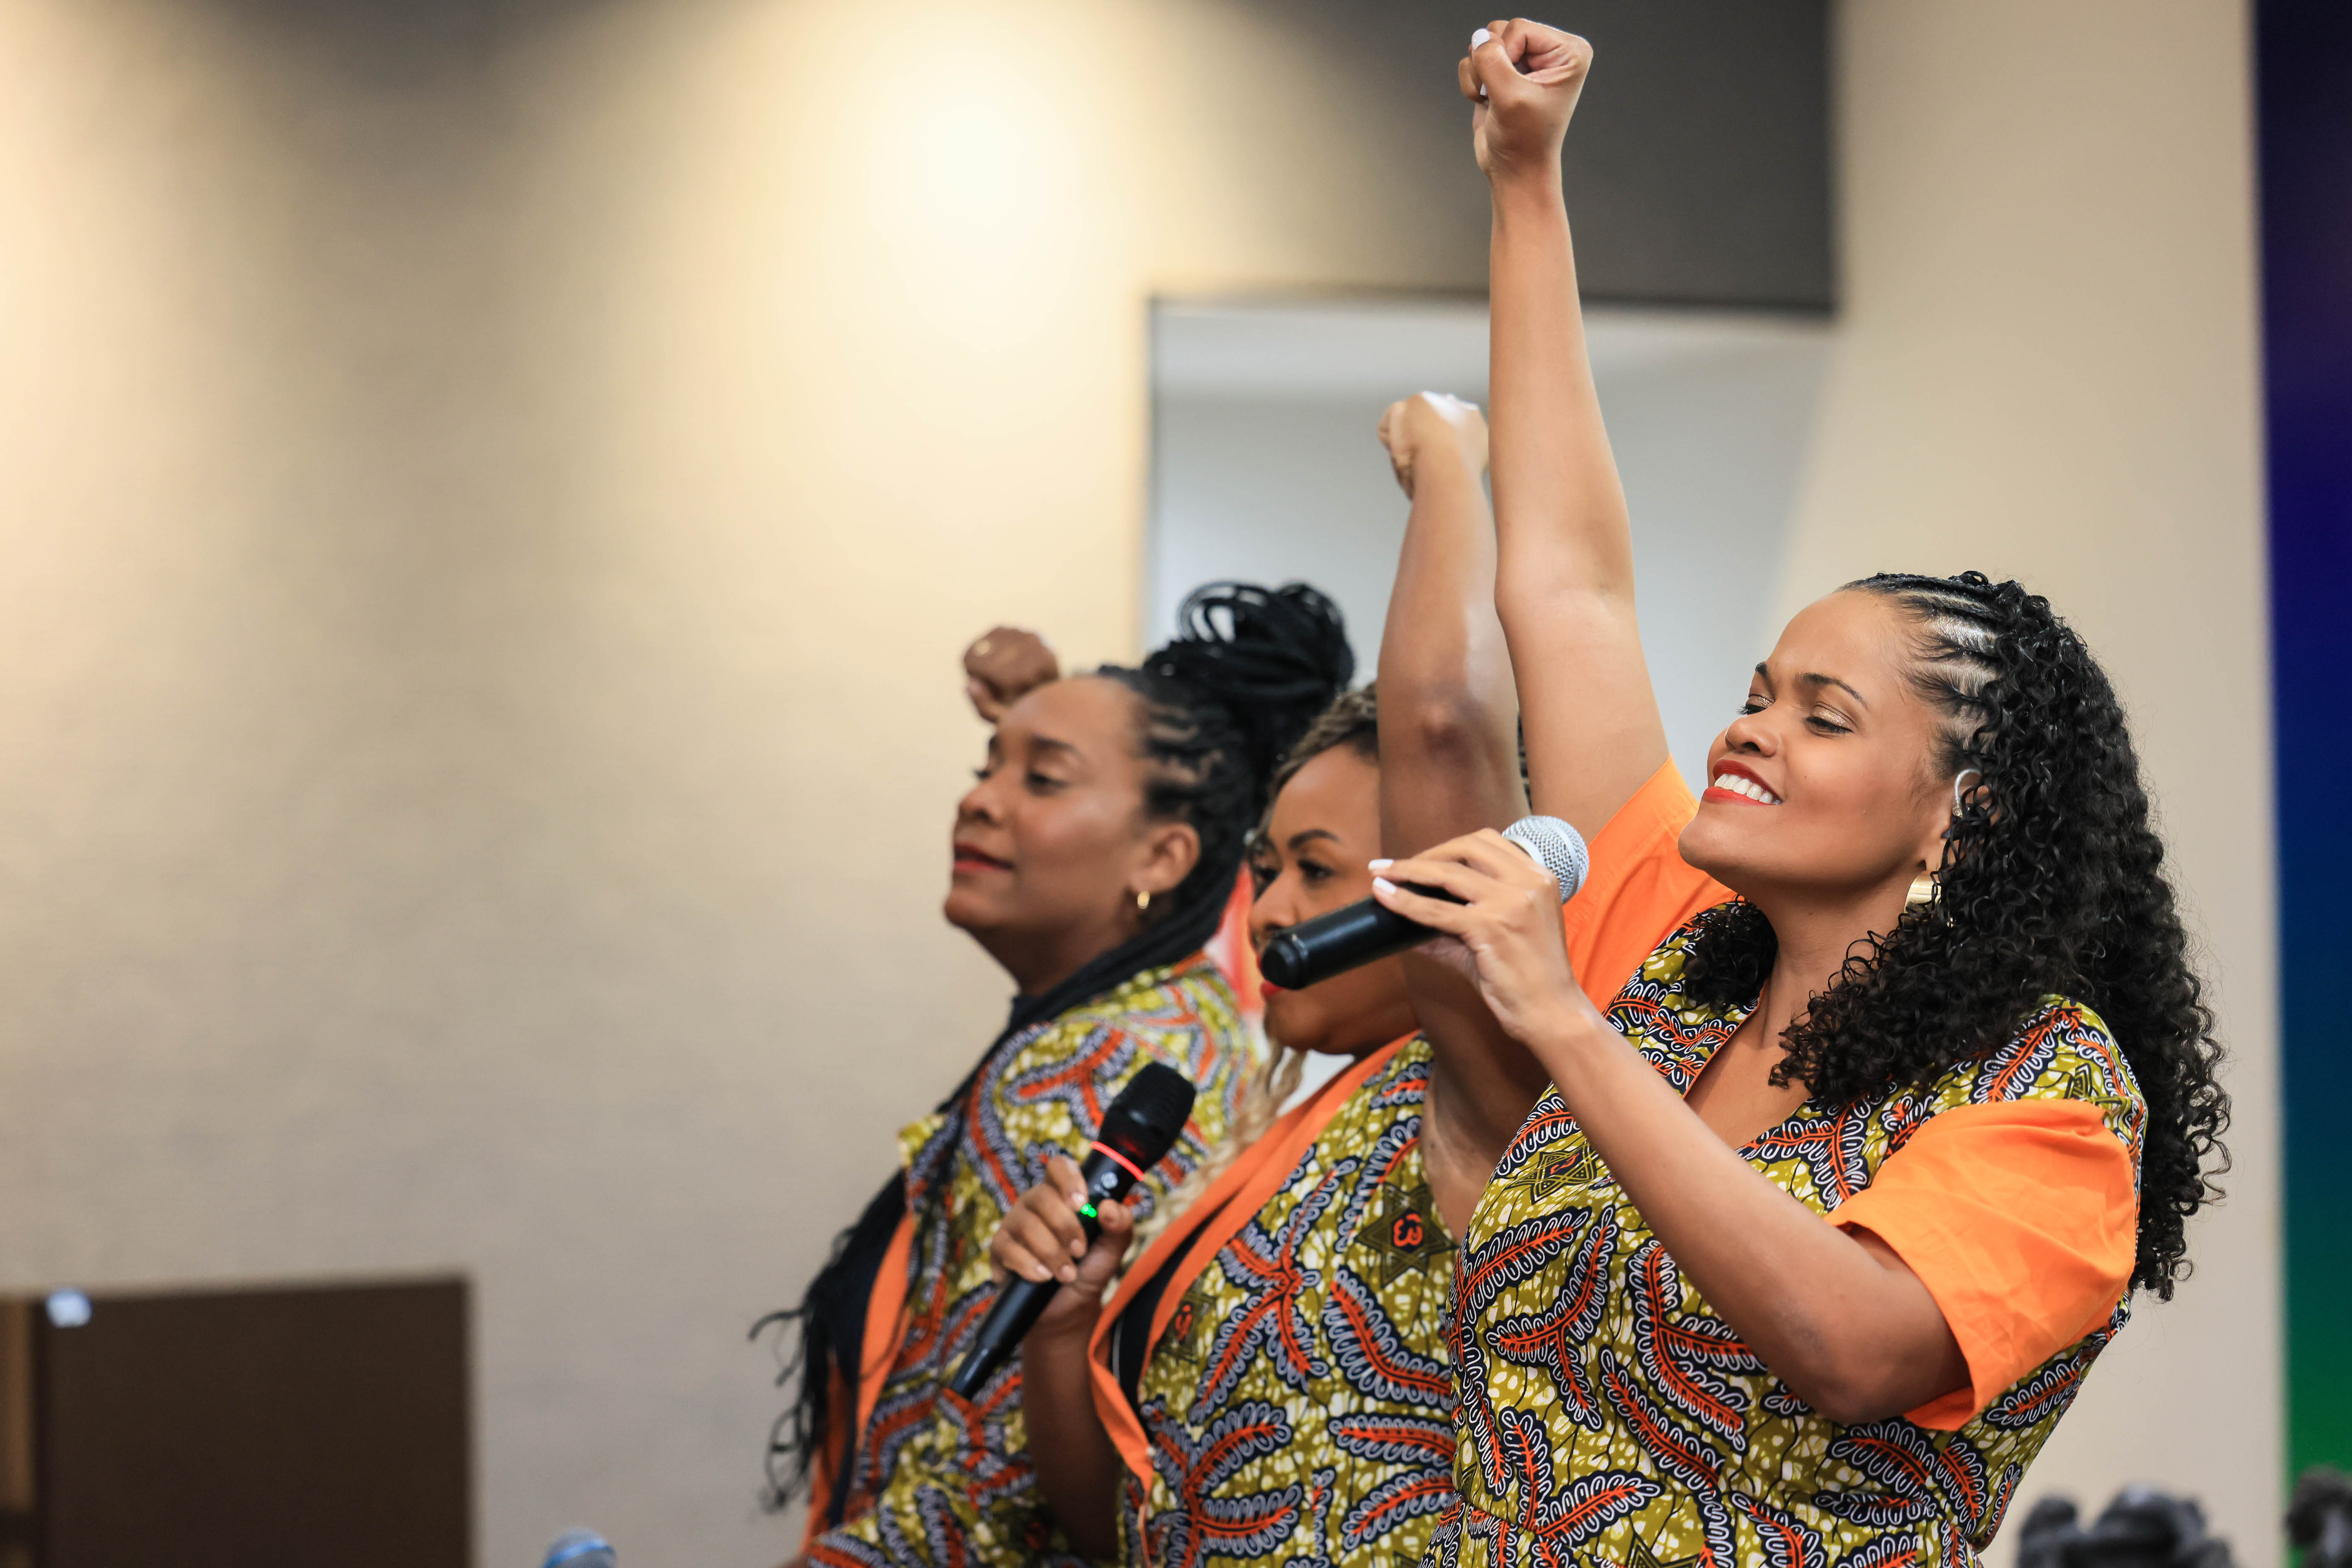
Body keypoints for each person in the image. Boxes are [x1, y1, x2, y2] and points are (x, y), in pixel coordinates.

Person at [1363, 26, 2231, 1568]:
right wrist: (1525, 179)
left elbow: (1851, 1339)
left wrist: (1561, 1021)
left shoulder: (2045, 1088)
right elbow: (1566, 588)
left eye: (1818, 716)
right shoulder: (1683, 977)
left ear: (1958, 816)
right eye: (1758, 691)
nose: (1743, 731)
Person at [991, 391, 1728, 1568]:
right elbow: (1120, 1532)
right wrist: (1063, 1325)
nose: (1272, 908)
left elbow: (1441, 721)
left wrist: (1447, 457)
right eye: (1266, 867)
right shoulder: (1289, 1144)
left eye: (1319, 871)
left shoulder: (1507, 1090)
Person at [767, 582, 1354, 1568]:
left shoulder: (1092, 1068)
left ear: (1164, 854)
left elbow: (983, 1479)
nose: (978, 797)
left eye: (1042, 780)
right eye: (984, 765)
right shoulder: (1168, 1020)